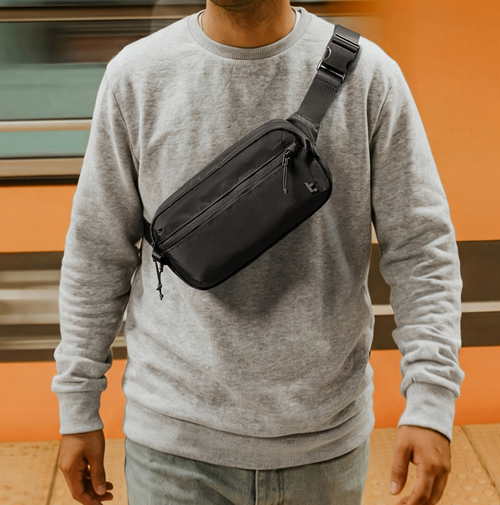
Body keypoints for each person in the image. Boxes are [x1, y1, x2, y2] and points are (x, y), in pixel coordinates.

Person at [51, 1, 465, 504]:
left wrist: (431, 402)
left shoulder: (371, 78)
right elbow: (97, 254)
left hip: (324, 447)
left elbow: (422, 250)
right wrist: (77, 406)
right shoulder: (135, 77)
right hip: (173, 447)